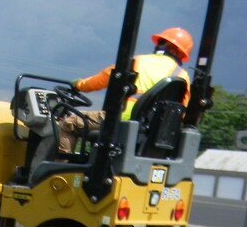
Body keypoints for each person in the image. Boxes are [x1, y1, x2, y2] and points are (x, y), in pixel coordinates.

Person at [58, 27, 193, 154]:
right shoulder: (182, 75)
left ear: (169, 47)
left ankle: (60, 168)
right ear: (180, 54)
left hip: (122, 118)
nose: (157, 45)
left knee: (70, 122)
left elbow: (101, 80)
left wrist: (79, 85)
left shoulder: (138, 61)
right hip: (153, 130)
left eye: (161, 42)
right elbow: (182, 112)